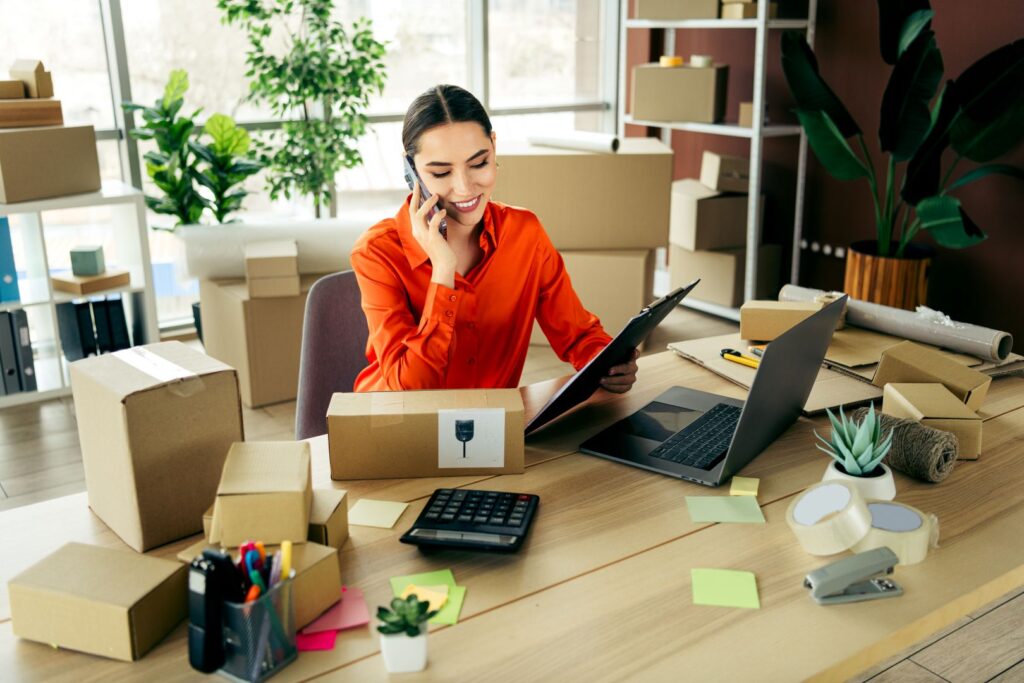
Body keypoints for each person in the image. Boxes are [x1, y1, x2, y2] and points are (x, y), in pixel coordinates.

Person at [350, 84, 638, 394]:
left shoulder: (524, 233)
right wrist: (443, 271)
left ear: (494, 147)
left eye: (478, 164)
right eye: (441, 173)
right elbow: (411, 389)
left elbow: (579, 336)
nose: (464, 187)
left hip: (488, 427)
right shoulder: (376, 251)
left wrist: (609, 363)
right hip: (394, 426)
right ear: (412, 171)